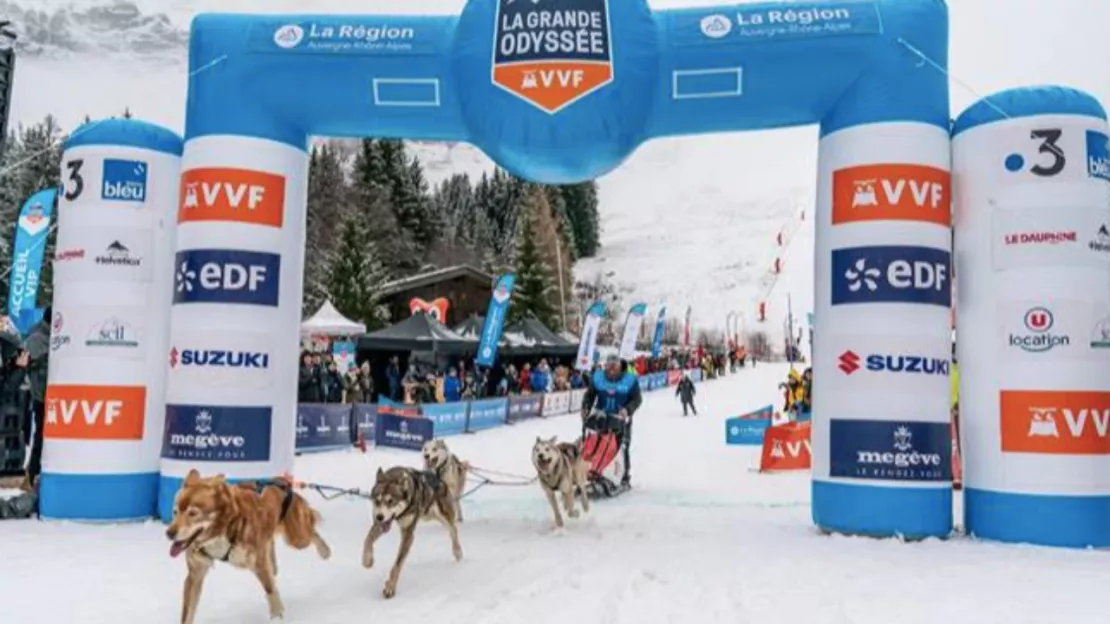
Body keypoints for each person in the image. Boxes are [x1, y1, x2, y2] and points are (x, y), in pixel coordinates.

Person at [581, 354, 643, 488]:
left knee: (622, 447)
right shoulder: (598, 377)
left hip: (621, 418)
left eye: (614, 368)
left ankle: (624, 476)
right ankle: (594, 470)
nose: (611, 372)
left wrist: (627, 410)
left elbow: (637, 399)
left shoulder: (630, 379)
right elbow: (590, 395)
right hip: (601, 416)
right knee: (597, 443)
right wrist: (586, 408)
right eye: (609, 368)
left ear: (620, 367)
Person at [22, 307, 50, 492]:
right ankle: (32, 478)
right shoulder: (37, 337)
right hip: (42, 397)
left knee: (43, 438)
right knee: (40, 438)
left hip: (50, 396)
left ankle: (34, 477)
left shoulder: (47, 333)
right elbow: (27, 363)